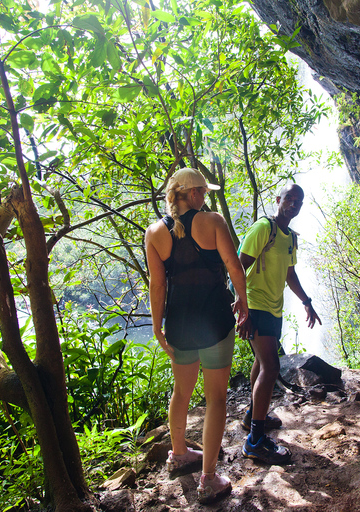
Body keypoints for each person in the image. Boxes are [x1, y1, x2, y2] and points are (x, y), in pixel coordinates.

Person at [145, 167, 248, 504]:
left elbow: (157, 285)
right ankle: (207, 478)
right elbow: (233, 266)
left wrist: (157, 326)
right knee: (216, 398)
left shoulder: (154, 233)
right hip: (215, 321)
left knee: (181, 391)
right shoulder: (213, 222)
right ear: (190, 193)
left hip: (179, 325)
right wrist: (242, 301)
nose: (206, 196)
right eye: (202, 192)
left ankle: (178, 453)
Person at [237, 183, 321, 464]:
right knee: (271, 366)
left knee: (262, 364)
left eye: (299, 201)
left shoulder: (290, 238)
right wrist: (241, 306)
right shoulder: (264, 228)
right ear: (278, 200)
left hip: (274, 308)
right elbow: (239, 264)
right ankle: (255, 441)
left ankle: (252, 417)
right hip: (255, 305)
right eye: (290, 199)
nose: (294, 204)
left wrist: (306, 301)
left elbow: (289, 274)